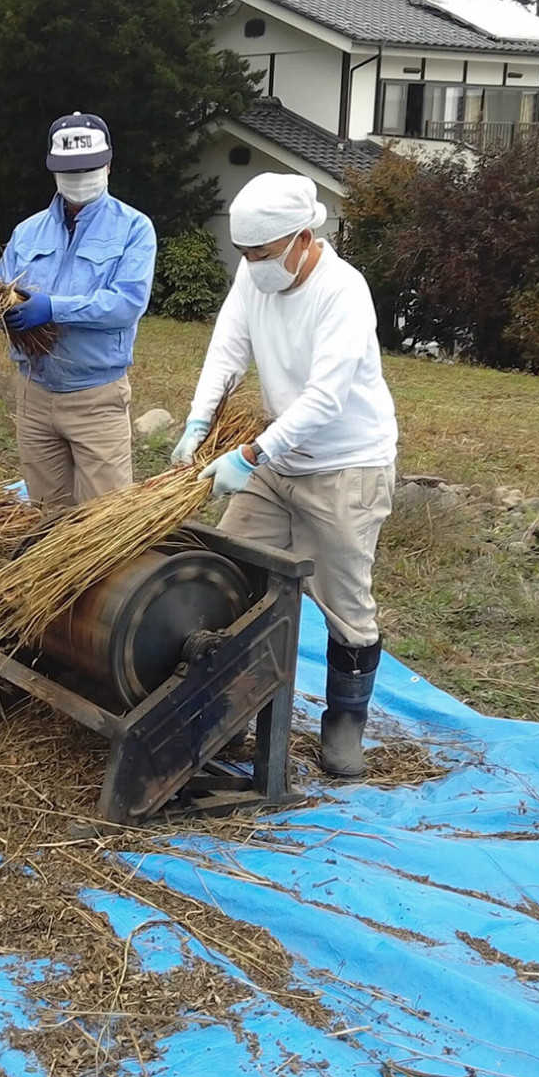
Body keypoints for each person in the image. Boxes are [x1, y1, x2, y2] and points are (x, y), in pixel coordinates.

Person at [171, 172, 398, 778]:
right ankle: (234, 713)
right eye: (244, 254)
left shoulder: (342, 292)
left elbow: (325, 397)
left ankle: (344, 725)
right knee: (234, 574)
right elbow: (227, 349)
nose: (253, 266)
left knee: (345, 603)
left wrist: (249, 456)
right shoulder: (253, 275)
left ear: (302, 238)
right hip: (277, 461)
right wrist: (198, 422)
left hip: (345, 466)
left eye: (263, 254)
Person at [0, 112, 157, 512]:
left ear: (108, 165)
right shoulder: (28, 232)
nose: (79, 176)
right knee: (48, 516)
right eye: (70, 169)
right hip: (34, 392)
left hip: (95, 398)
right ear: (53, 170)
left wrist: (53, 309)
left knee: (104, 521)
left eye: (88, 167)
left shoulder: (134, 229)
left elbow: (126, 304)